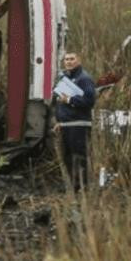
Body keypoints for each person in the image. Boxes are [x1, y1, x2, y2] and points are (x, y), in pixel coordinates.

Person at [54, 52, 96, 190]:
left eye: (72, 59)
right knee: (68, 158)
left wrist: (70, 100)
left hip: (79, 125)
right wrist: (59, 122)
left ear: (79, 60)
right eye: (66, 59)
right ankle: (73, 187)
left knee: (80, 157)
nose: (69, 62)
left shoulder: (84, 78)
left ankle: (83, 188)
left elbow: (90, 101)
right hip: (66, 125)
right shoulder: (65, 78)